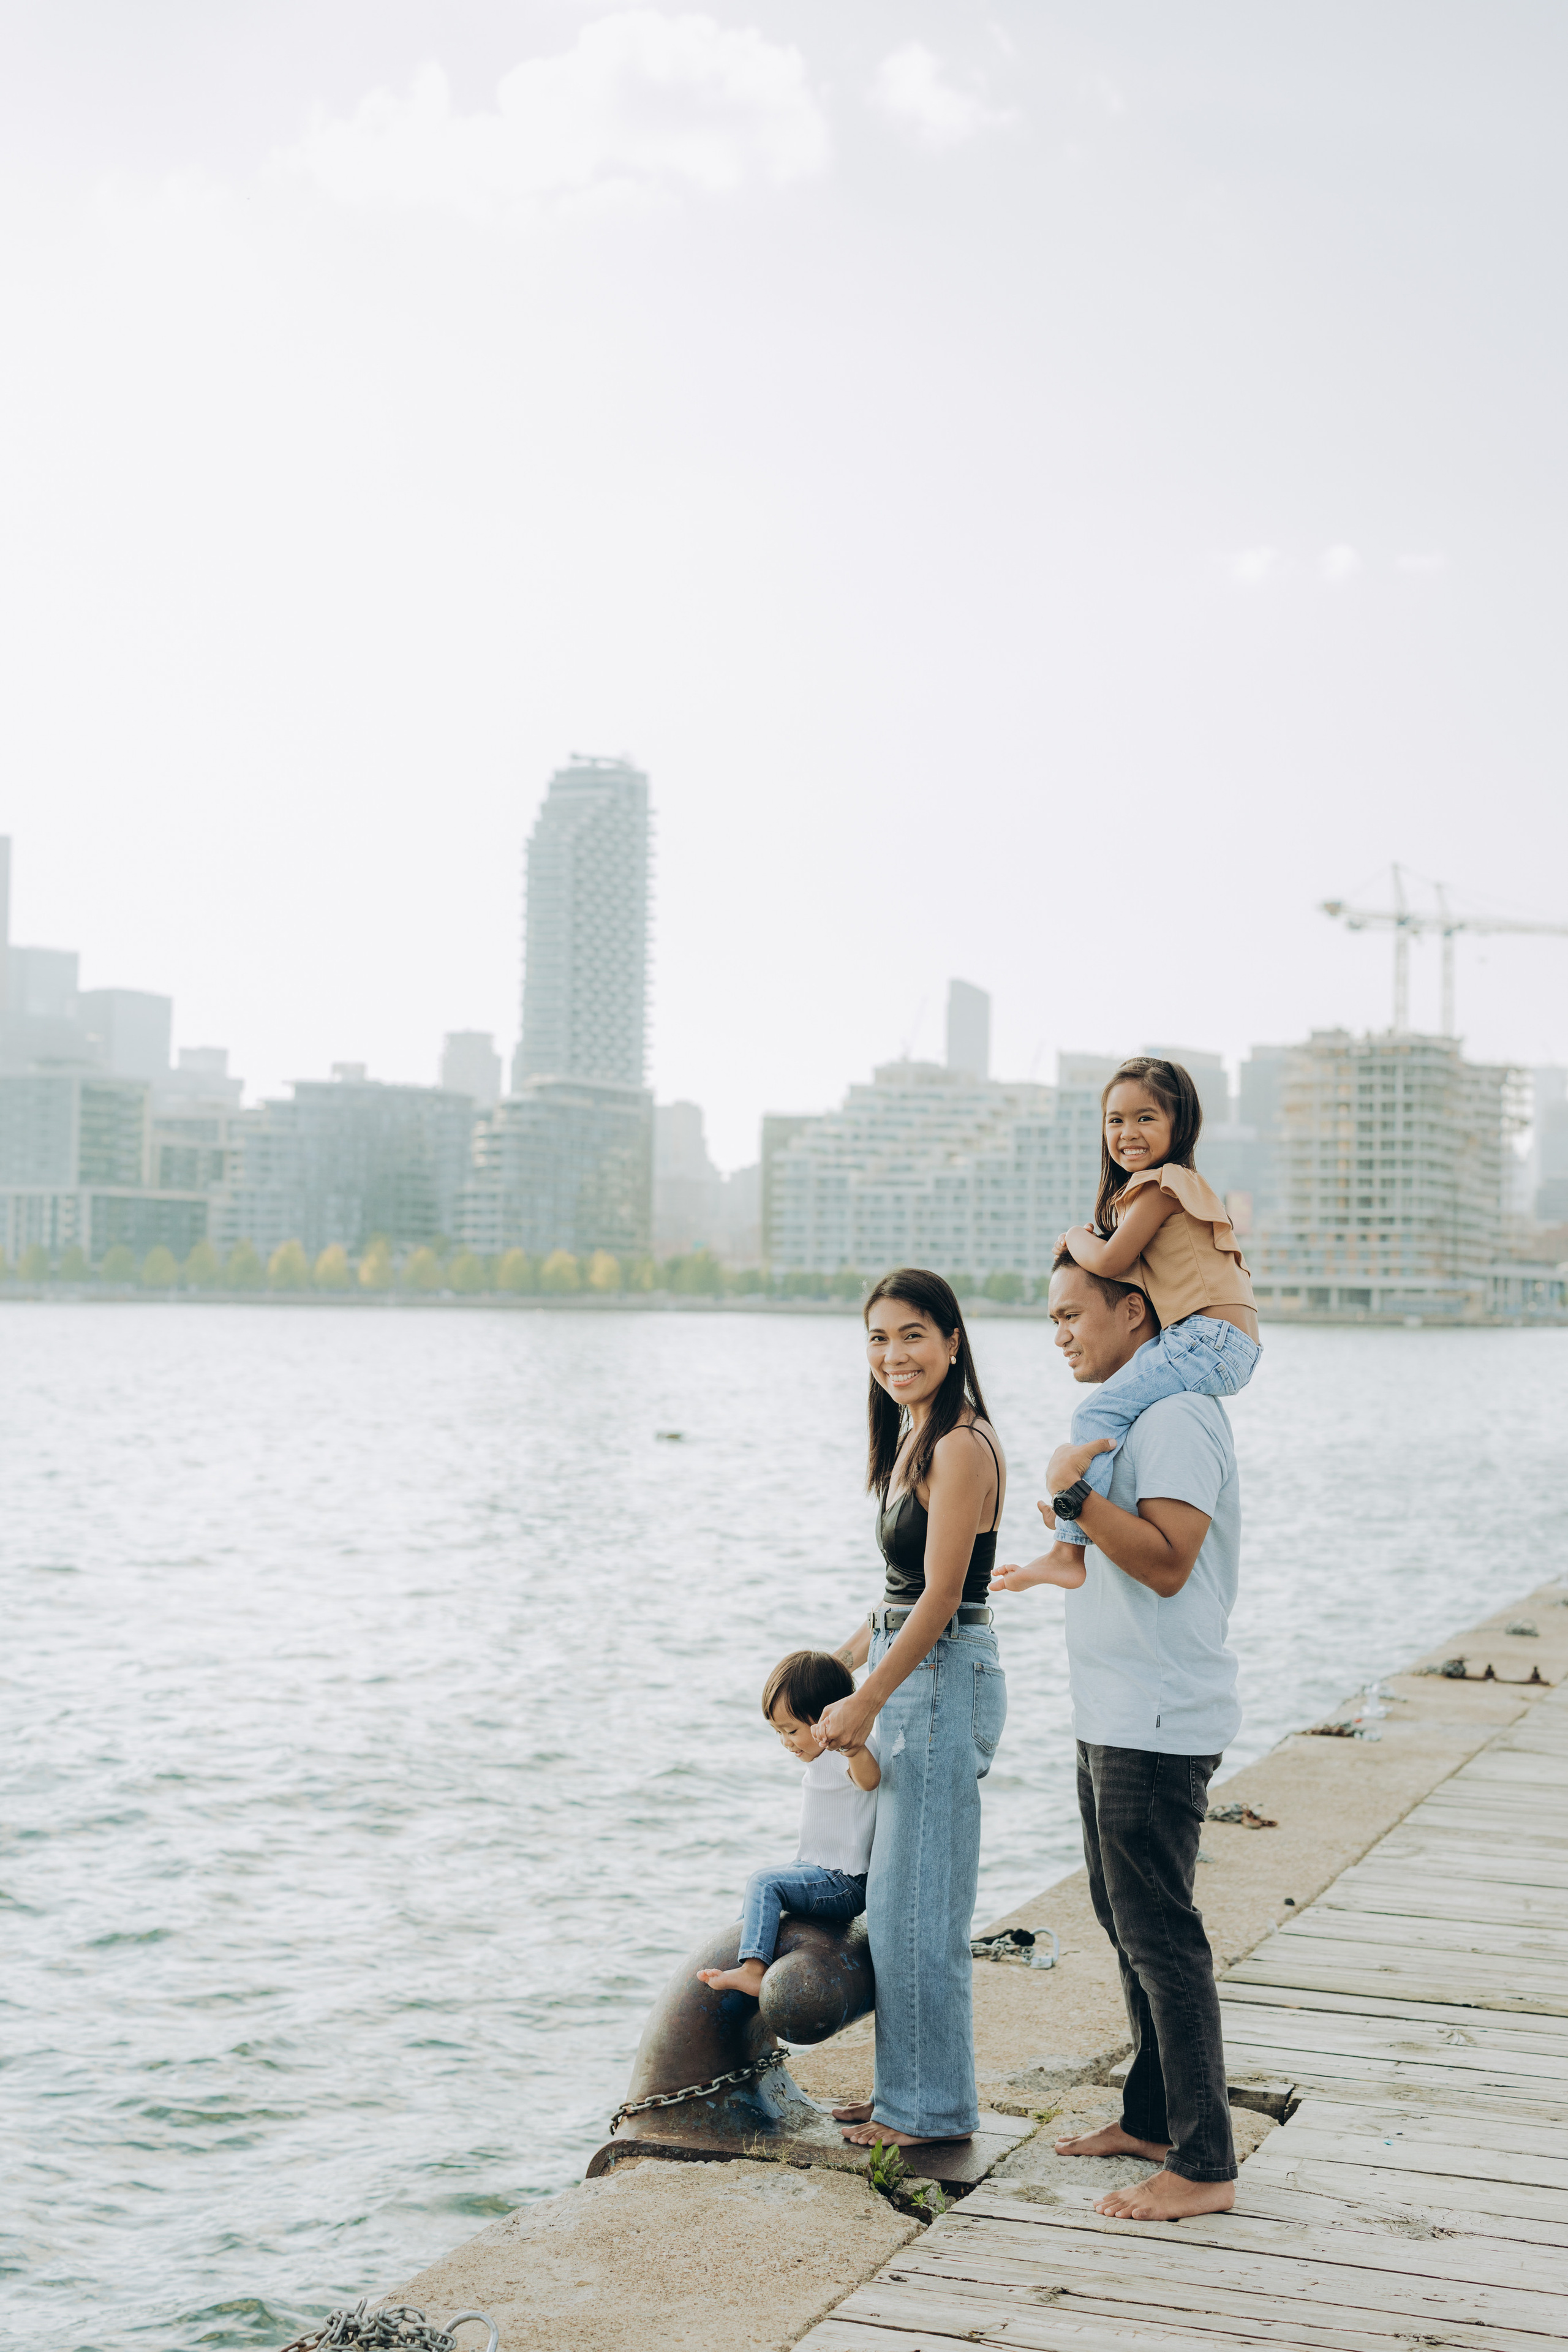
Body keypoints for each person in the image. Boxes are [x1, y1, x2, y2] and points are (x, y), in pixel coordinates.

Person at [992, 1248, 1242, 2221]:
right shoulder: (1132, 1417)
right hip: (1113, 1709)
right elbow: (1104, 1561)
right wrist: (1061, 1539)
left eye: (1072, 1315)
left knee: (1162, 1936)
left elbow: (1171, 1563)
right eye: (1049, 1319)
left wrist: (1073, 1496)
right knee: (1123, 1923)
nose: (1059, 1335)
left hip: (1159, 1716)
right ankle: (1152, 2119)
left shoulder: (1177, 1417)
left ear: (1136, 1313)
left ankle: (1205, 2163)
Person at [813, 1268, 1008, 2152]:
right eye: (878, 1339)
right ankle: (908, 2090)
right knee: (895, 1906)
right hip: (916, 1669)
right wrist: (836, 1663)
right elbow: (897, 1596)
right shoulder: (914, 1436)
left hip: (939, 1676)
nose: (894, 1355)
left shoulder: (962, 1444)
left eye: (912, 1336)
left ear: (953, 1341)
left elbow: (940, 1599)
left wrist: (870, 1695)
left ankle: (929, 2114)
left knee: (919, 1909)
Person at [1046, 1055, 1259, 1551]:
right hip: (1222, 1341)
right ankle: (1091, 1529)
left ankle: (1069, 1547)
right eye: (1115, 1120)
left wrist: (1075, 1235)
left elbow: (1108, 1258)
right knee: (1117, 1410)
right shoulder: (1167, 1196)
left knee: (1092, 1418)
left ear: (1178, 1125)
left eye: (1146, 1117)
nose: (1128, 1132)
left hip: (1209, 1339)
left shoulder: (1163, 1186)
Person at [696, 1651, 881, 1999]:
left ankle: (753, 1969)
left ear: (828, 1717)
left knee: (765, 1883)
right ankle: (736, 1946)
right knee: (762, 1893)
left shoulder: (849, 1748)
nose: (786, 1742)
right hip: (818, 1869)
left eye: (792, 1730)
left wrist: (853, 1749)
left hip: (844, 1883)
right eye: (778, 1732)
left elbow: (870, 1781)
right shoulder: (822, 1753)